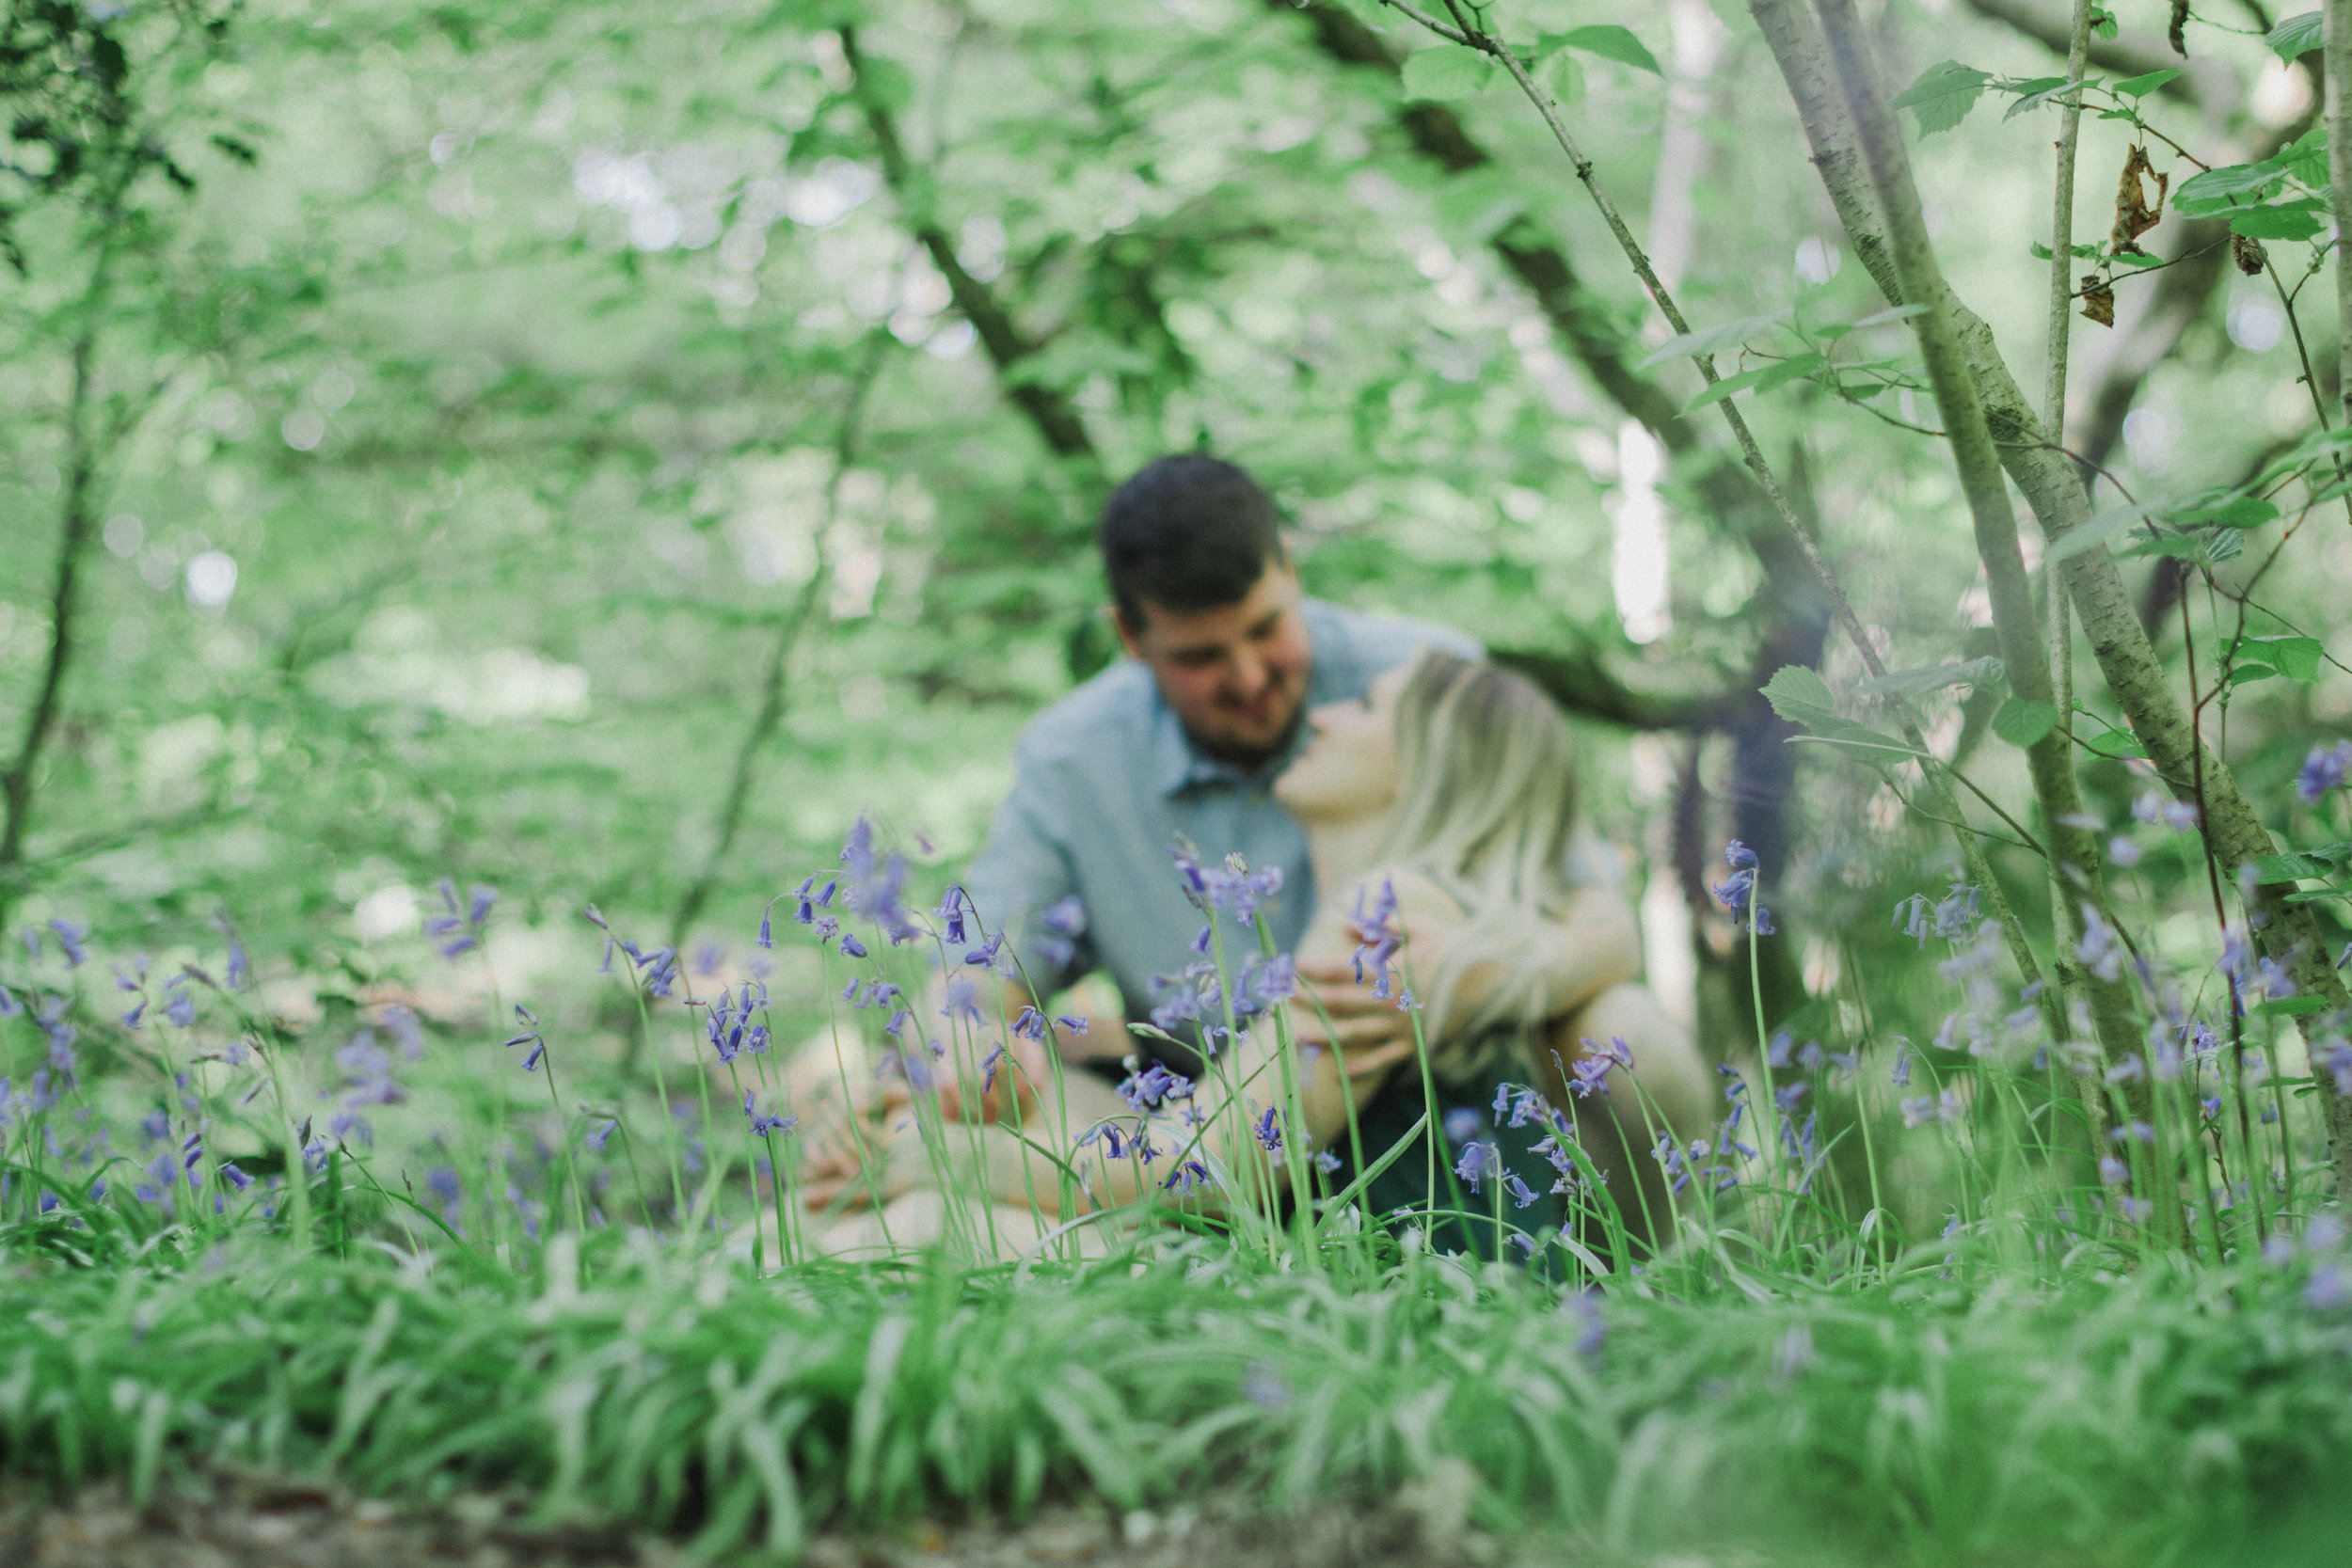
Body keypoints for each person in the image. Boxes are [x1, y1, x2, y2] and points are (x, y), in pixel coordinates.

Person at [794, 454, 1666, 1254]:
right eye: (1203, 656)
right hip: (1232, 1126)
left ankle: (1645, 1272)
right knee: (892, 1132)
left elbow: (1209, 1169)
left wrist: (1484, 974)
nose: (1257, 682)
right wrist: (950, 1054)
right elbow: (982, 973)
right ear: (1132, 640)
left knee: (933, 1210)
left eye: (1266, 631)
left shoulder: (1394, 872)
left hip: (1354, 1229)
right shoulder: (1078, 759)